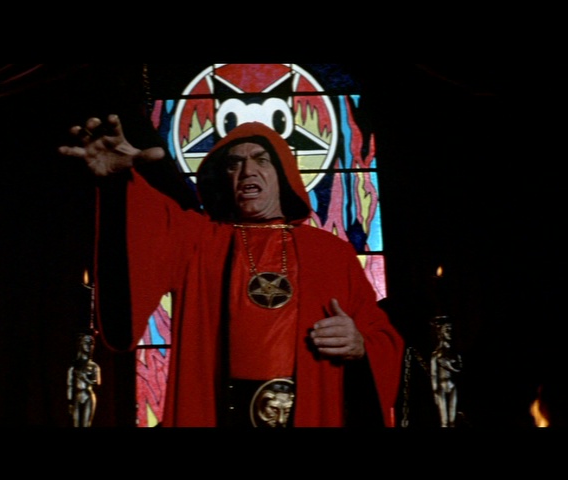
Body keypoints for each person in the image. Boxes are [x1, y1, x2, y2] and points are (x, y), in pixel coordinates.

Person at [59, 114, 404, 427]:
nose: (247, 171)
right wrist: (117, 184)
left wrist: (359, 344)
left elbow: (383, 337)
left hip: (310, 412)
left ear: (283, 173)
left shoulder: (331, 252)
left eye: (261, 160)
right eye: (234, 164)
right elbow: (144, 232)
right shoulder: (199, 240)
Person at [430, 316, 461, 427]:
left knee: (452, 421)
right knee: (444, 422)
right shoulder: (436, 355)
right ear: (441, 332)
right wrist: (435, 392)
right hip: (442, 387)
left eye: (450, 329)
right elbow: (434, 374)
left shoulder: (454, 353)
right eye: (447, 329)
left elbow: (459, 369)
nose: (449, 332)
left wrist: (449, 366)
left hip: (452, 386)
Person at [67, 331, 101, 427]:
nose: (89, 345)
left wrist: (85, 378)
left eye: (91, 343)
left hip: (88, 395)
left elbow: (97, 383)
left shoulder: (94, 366)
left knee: (86, 424)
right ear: (80, 343)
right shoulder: (74, 366)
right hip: (77, 396)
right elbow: (69, 385)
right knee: (75, 423)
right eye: (86, 342)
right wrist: (69, 401)